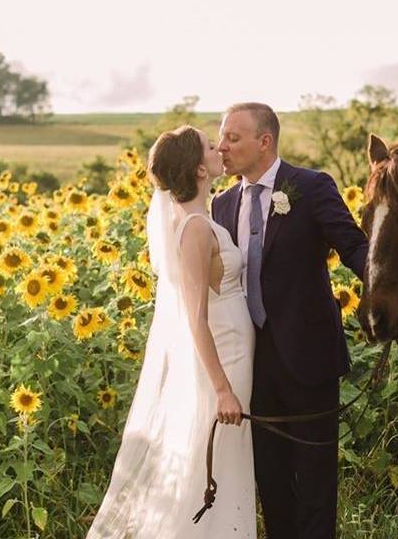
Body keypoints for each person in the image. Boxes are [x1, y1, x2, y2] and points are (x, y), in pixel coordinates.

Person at [87, 125, 257, 538]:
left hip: (234, 354)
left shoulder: (204, 219)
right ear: (199, 169)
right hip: (223, 363)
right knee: (212, 465)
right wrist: (221, 389)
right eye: (209, 145)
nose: (218, 148)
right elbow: (194, 317)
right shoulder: (195, 229)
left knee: (223, 464)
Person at [213, 102, 368, 539]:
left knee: (317, 481)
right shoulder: (222, 206)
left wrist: (389, 295)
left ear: (265, 142)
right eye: (222, 137)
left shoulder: (311, 186)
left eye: (233, 138)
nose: (222, 146)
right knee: (272, 481)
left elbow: (354, 247)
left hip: (310, 358)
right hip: (252, 364)